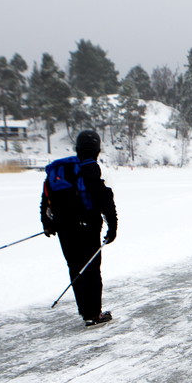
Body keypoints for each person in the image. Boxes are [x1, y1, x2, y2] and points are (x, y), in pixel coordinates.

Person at [41, 130, 118, 327]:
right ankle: (94, 314)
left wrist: (47, 224)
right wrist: (112, 226)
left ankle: (86, 311)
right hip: (88, 228)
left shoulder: (58, 170)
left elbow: (46, 199)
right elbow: (105, 199)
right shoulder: (91, 168)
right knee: (91, 270)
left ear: (77, 147)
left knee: (75, 268)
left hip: (64, 229)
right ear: (97, 149)